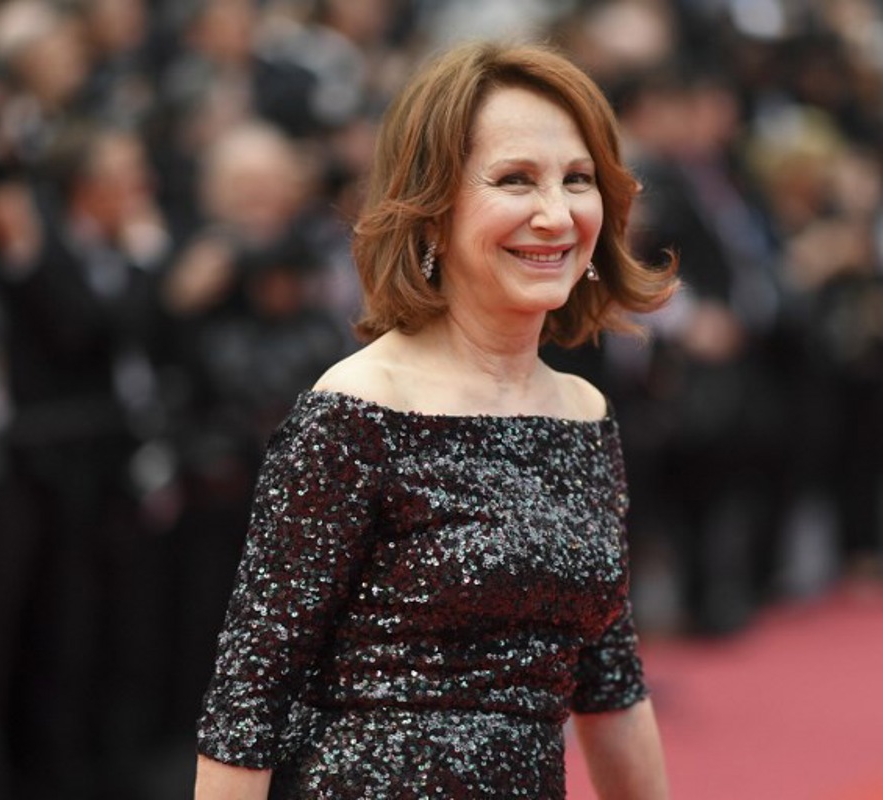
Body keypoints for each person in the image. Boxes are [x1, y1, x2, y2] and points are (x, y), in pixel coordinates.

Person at [194, 40, 676, 798]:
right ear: (432, 206)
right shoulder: (356, 410)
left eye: (578, 179)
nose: (556, 214)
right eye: (515, 179)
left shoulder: (584, 414)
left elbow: (610, 680)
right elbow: (247, 702)